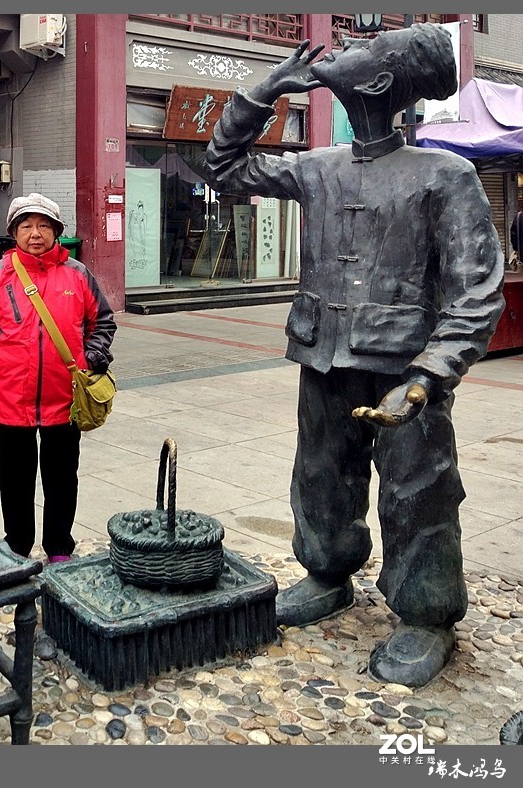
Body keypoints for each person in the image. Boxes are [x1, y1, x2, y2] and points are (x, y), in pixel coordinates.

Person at [203, 24, 505, 688]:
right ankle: (328, 572)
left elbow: (476, 290)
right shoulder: (318, 166)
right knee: (320, 474)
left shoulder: (444, 175)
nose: (336, 47)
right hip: (324, 354)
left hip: (405, 369)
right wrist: (260, 93)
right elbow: (222, 170)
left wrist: (429, 376)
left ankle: (426, 614)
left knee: (419, 491)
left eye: (361, 46)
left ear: (376, 83)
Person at [0, 193, 116, 563]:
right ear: (14, 232)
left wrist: (91, 358)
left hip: (65, 400)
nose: (35, 233)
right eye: (26, 226)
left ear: (57, 232)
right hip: (10, 398)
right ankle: (17, 545)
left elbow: (103, 322)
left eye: (44, 225)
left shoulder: (77, 275)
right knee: (15, 479)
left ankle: (59, 547)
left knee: (62, 478)